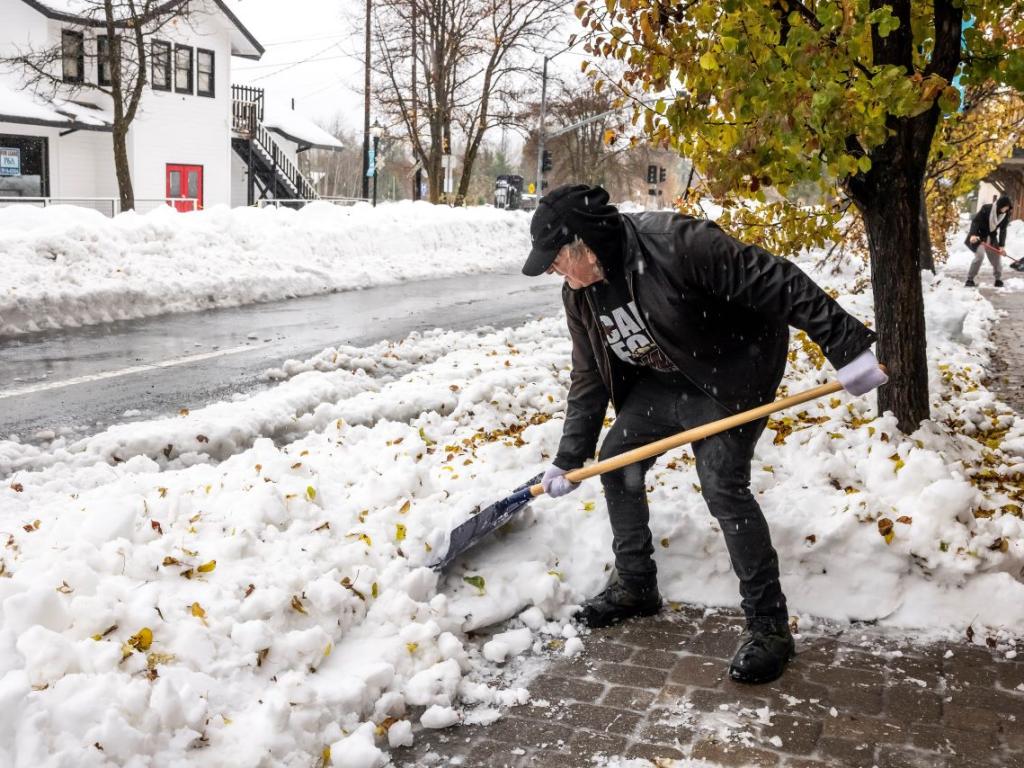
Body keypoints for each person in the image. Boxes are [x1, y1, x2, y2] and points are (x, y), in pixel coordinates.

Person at [522, 185, 888, 684]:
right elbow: (588, 377)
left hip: (731, 371)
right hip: (663, 380)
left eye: (556, 259)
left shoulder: (676, 242)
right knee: (618, 463)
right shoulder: (580, 296)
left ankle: (769, 627)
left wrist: (847, 347)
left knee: (722, 485)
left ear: (584, 242)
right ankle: (635, 584)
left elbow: (778, 280)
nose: (553, 271)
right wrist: (570, 456)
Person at [965, 195, 1013, 287]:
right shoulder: (986, 208)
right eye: (1005, 207)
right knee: (980, 256)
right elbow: (976, 221)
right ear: (1000, 205)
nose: (1006, 210)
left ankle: (998, 279)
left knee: (996, 259)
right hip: (978, 237)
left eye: (1008, 208)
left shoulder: (1005, 215)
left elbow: (1003, 230)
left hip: (991, 238)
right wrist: (973, 235)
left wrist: (1002, 246)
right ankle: (970, 280)